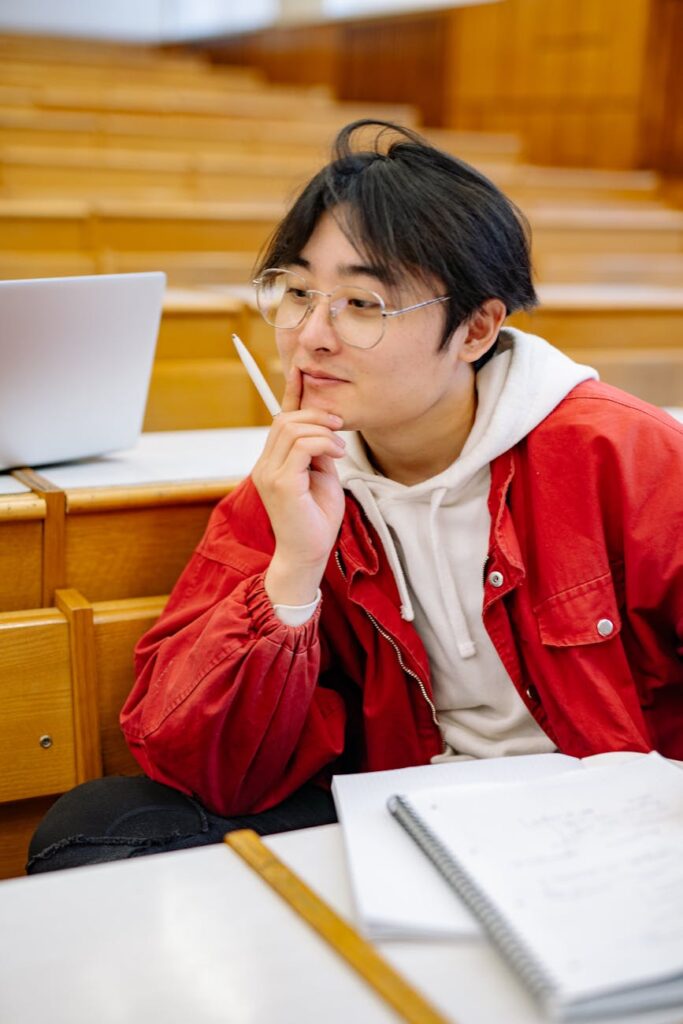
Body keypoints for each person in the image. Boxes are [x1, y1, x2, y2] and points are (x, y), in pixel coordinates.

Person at [28, 120, 683, 873]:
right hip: (409, 807)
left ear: (475, 329)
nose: (310, 335)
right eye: (299, 292)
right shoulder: (289, 485)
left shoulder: (619, 454)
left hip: (604, 812)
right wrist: (292, 577)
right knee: (102, 826)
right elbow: (198, 761)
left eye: (363, 304)